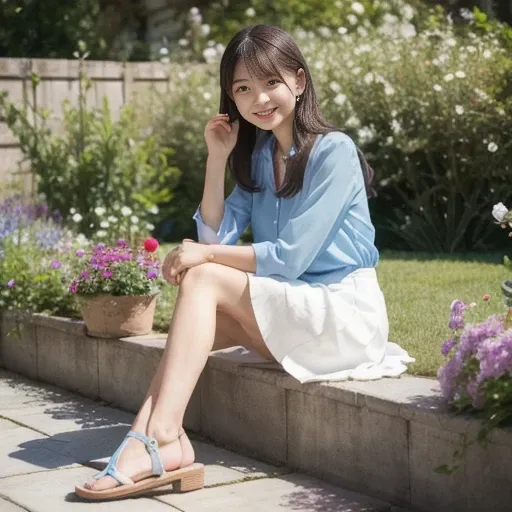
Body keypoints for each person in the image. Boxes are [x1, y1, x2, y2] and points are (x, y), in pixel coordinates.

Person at [75, 23, 413, 501]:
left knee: (206, 276)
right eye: (243, 88)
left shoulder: (334, 152)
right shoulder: (259, 159)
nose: (259, 98)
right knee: (201, 295)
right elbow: (215, 234)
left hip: (343, 316)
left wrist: (206, 254)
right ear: (231, 98)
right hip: (299, 307)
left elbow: (289, 258)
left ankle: (161, 439)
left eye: (271, 82)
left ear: (298, 80)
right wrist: (217, 159)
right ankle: (149, 437)